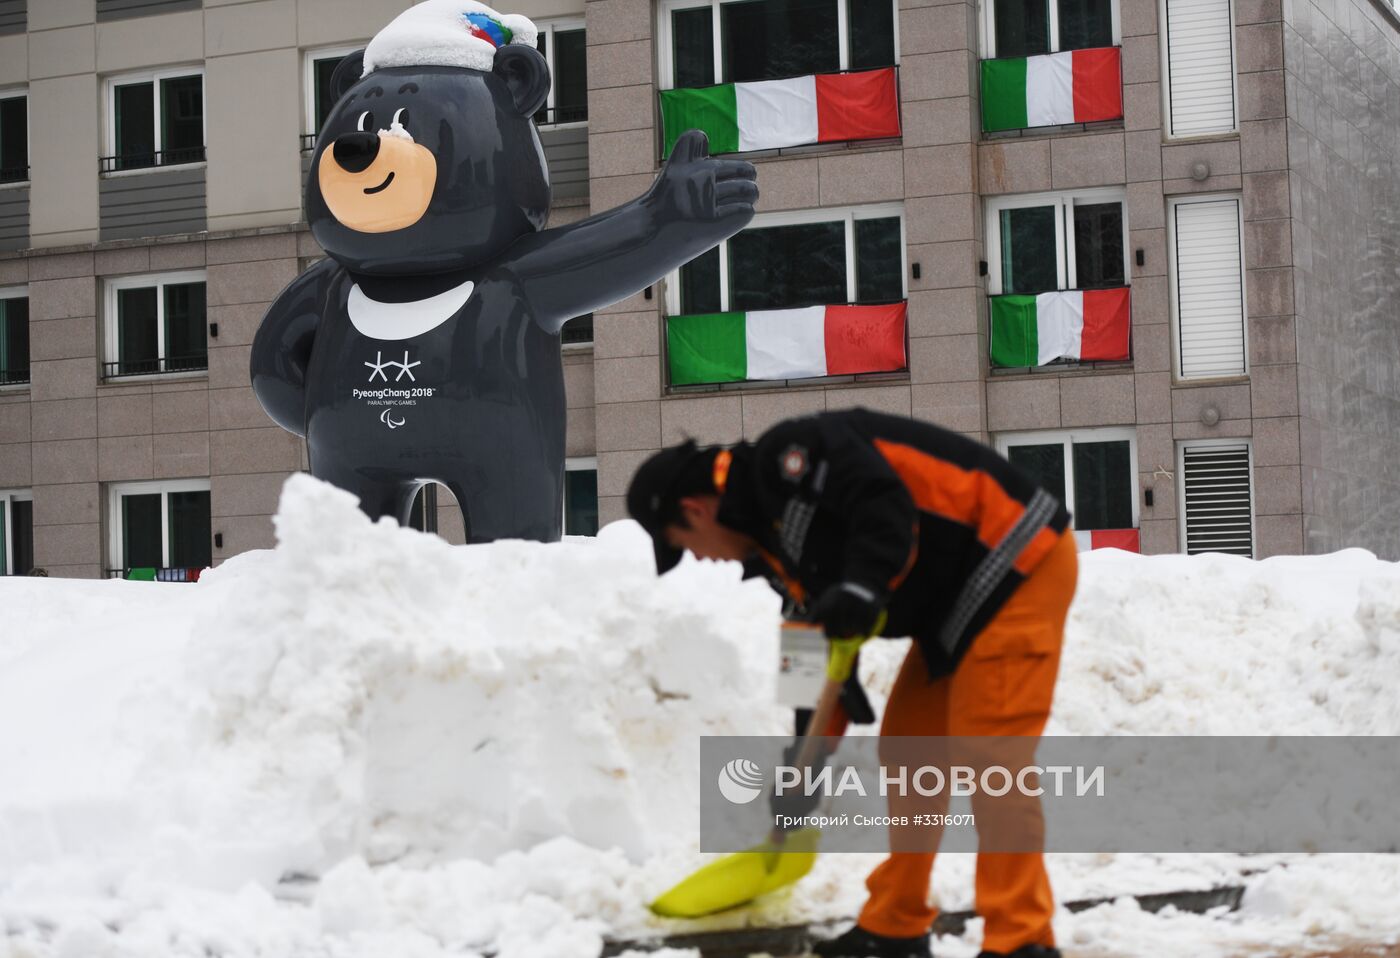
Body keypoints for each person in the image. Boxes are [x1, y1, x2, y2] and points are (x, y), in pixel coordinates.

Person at [626, 408, 1079, 958]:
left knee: (990, 753)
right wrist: (804, 758)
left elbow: (881, 501)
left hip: (1016, 557)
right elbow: (811, 654)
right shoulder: (775, 553)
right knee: (909, 752)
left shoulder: (790, 458)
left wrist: (862, 589)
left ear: (695, 508)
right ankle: (896, 924)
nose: (699, 557)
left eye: (684, 543)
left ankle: (1022, 937)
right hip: (955, 602)